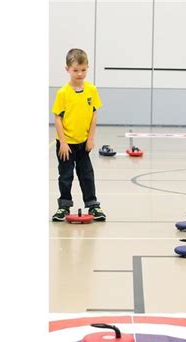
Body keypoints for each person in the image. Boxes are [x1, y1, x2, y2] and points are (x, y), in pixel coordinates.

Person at [51, 48, 106, 222]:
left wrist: (90, 139)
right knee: (66, 176)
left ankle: (93, 205)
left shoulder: (91, 90)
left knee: (87, 174)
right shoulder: (63, 93)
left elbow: (94, 115)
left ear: (87, 68)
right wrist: (64, 142)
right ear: (67, 69)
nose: (80, 74)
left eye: (83, 70)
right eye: (75, 70)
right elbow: (58, 118)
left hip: (83, 143)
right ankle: (64, 206)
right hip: (66, 144)